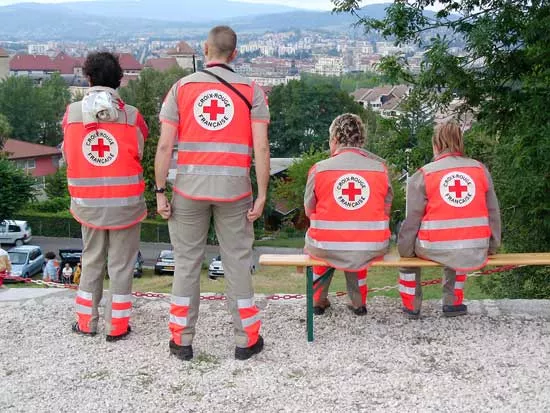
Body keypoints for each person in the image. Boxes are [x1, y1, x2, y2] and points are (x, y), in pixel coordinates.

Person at [155, 26, 270, 361]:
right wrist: (262, 193)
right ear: (234, 53)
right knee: (236, 263)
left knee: (186, 265)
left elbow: (165, 146)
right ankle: (246, 340)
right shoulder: (252, 90)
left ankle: (181, 340)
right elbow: (261, 147)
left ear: (205, 50)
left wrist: (161, 191)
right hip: (235, 191)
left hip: (188, 189)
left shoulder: (181, 88)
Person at [62, 51, 149, 341]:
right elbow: (139, 151)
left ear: (87, 78)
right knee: (122, 266)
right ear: (119, 80)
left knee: (92, 261)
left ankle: (87, 323)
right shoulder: (132, 115)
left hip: (88, 204)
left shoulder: (72, 113)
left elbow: (68, 153)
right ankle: (118, 327)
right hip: (126, 205)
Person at [397, 122, 501, 318]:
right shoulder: (480, 170)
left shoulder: (424, 174)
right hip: (474, 245)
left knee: (406, 255)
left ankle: (412, 306)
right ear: (460, 142)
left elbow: (412, 221)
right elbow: (493, 212)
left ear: (436, 144)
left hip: (432, 247)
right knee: (460, 250)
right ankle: (452, 303)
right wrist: (493, 245)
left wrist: (405, 251)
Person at [304, 113, 393, 316]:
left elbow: (310, 210)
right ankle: (358, 302)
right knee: (357, 247)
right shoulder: (380, 169)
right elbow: (386, 209)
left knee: (320, 242)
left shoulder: (319, 170)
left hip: (325, 246)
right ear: (362, 140)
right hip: (372, 246)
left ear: (334, 139)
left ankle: (317, 301)